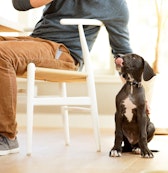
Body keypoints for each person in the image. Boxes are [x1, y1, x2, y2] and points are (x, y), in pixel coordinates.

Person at [0, 0, 133, 156]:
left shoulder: (115, 5)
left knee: (2, 54)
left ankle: (7, 136)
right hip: (35, 42)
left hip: (64, 53)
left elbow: (123, 54)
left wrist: (135, 93)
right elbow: (20, 4)